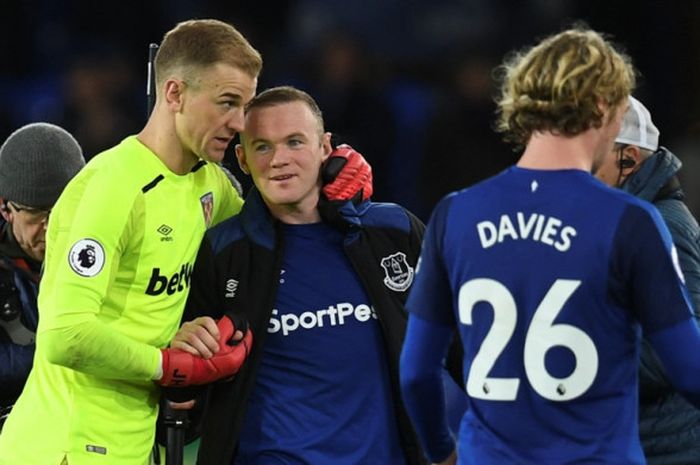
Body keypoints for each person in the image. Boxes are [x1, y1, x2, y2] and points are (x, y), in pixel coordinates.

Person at [0, 19, 370, 465]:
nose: (239, 123)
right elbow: (65, 335)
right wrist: (171, 364)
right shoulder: (110, 186)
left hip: (132, 445)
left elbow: (271, 235)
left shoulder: (213, 186)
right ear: (174, 94)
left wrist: (333, 182)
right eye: (227, 103)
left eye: (245, 106)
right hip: (63, 445)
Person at [399, 26, 700, 465]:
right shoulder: (632, 220)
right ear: (601, 107)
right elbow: (690, 371)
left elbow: (416, 372)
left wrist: (441, 450)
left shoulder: (453, 214)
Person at [169, 85, 461, 465]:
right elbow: (187, 398)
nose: (279, 159)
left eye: (294, 142)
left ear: (326, 147)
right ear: (241, 158)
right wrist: (184, 360)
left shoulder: (393, 232)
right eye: (262, 146)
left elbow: (462, 343)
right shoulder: (224, 252)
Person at [594, 96, 700, 464]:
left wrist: (580, 350)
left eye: (594, 157)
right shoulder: (624, 219)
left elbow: (680, 351)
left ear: (631, 159)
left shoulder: (665, 225)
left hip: (666, 449)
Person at [0, 123, 86, 427]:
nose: (53, 227)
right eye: (38, 214)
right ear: (5, 208)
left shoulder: (101, 254)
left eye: (63, 209)